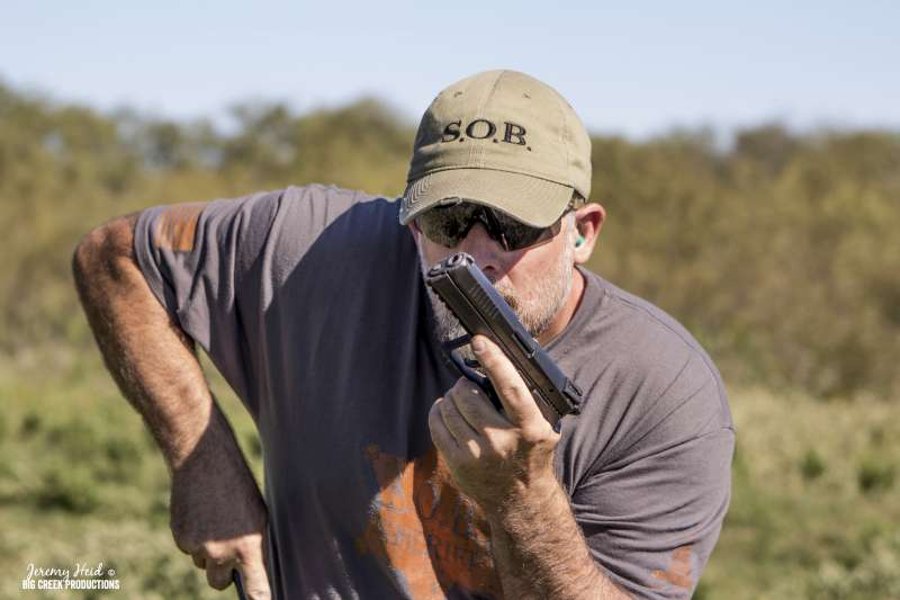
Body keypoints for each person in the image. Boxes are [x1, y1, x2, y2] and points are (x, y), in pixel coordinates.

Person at [73, 70, 734, 599]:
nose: (476, 257)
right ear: (412, 221)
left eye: (512, 226)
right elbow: (115, 257)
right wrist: (203, 466)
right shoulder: (313, 248)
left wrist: (521, 501)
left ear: (582, 232)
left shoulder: (664, 392)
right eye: (448, 220)